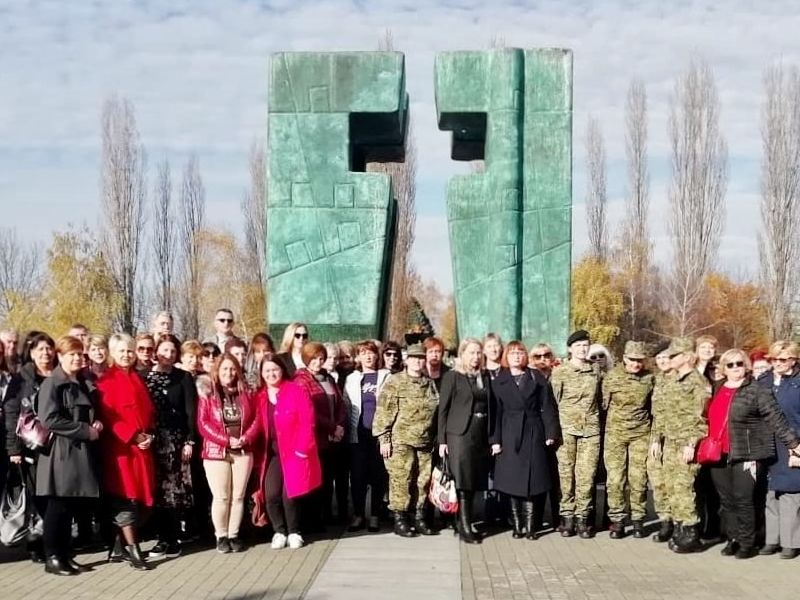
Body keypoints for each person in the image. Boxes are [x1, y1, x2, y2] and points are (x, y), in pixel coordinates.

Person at [707, 348, 800, 559]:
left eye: (739, 363)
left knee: (743, 498)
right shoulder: (718, 387)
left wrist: (793, 443)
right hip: (719, 453)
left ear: (746, 366)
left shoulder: (757, 389)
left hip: (747, 452)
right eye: (730, 365)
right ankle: (733, 538)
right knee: (727, 500)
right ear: (723, 368)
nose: (735, 368)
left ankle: (747, 542)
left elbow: (775, 418)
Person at [36, 335, 102, 576]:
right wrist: (86, 431)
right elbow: (49, 419)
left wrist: (97, 424)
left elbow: (88, 412)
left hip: (79, 452)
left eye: (79, 354)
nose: (77, 358)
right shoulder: (53, 383)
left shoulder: (82, 381)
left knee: (70, 507)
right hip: (61, 454)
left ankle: (65, 555)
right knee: (57, 506)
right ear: (60, 356)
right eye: (71, 354)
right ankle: (52, 557)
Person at [96, 333, 156, 570]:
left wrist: (148, 434)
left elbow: (148, 411)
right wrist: (132, 435)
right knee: (126, 499)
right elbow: (109, 416)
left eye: (130, 350)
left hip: (141, 449)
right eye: (121, 351)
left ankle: (119, 546)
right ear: (112, 353)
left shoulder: (137, 378)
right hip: (121, 451)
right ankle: (134, 550)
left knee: (144, 501)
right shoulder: (105, 382)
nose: (126, 355)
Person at [491, 340, 560, 540]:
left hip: (533, 431)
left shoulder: (535, 376)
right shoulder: (499, 380)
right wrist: (495, 440)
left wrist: (550, 433)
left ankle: (531, 526)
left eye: (520, 353)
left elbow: (547, 406)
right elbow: (495, 413)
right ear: (506, 357)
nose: (517, 356)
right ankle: (517, 525)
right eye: (512, 353)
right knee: (512, 482)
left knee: (532, 481)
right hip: (509, 433)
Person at [252, 355, 322, 550]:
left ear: (282, 370)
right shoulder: (260, 397)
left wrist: (302, 450)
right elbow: (256, 425)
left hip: (294, 452)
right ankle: (279, 531)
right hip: (272, 454)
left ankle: (294, 531)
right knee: (271, 493)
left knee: (289, 494)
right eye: (267, 371)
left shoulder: (296, 391)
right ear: (261, 374)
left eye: (275, 369)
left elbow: (308, 421)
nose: (271, 374)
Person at [373, 343, 439, 537]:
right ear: (407, 360)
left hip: (425, 442)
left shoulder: (429, 383)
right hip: (401, 440)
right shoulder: (395, 382)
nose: (418, 362)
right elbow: (384, 412)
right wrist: (384, 439)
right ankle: (400, 518)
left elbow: (435, 412)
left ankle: (419, 517)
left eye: (421, 358)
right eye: (414, 358)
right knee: (401, 479)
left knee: (422, 480)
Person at [197, 354, 259, 553]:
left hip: (242, 450)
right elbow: (203, 423)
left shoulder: (247, 392)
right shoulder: (208, 393)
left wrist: (246, 438)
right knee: (222, 496)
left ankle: (234, 534)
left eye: (232, 369)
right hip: (217, 451)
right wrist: (226, 440)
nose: (229, 373)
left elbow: (257, 418)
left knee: (238, 496)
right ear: (217, 370)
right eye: (224, 369)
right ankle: (221, 535)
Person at [439, 338, 499, 543]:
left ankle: (461, 521)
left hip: (480, 433)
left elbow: (492, 406)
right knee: (463, 480)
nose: (475, 357)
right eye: (471, 353)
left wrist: (493, 437)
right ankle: (465, 526)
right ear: (463, 354)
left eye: (478, 353)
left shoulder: (485, 376)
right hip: (459, 434)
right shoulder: (453, 377)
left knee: (473, 479)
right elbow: (443, 410)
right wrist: (442, 441)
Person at [144, 334, 197, 559]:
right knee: (155, 490)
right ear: (156, 351)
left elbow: (191, 411)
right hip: (152, 441)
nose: (169, 355)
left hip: (175, 441)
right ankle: (162, 538)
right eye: (164, 350)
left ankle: (174, 539)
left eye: (173, 352)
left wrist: (189, 440)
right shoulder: (145, 377)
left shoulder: (183, 377)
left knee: (173, 491)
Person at [4, 332, 56, 563]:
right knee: (36, 495)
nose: (45, 353)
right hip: (30, 447)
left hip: (57, 446)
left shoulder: (59, 375)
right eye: (40, 350)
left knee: (55, 494)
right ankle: (36, 542)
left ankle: (53, 539)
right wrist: (13, 449)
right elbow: (12, 414)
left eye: (48, 349)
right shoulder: (22, 378)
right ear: (32, 353)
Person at [659, 337, 711, 553]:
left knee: (684, 486)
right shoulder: (673, 380)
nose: (668, 359)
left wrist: (691, 444)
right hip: (671, 441)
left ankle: (691, 532)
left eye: (673, 355)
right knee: (671, 486)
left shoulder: (698, 383)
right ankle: (680, 527)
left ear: (687, 357)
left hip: (686, 444)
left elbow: (702, 419)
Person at [550, 330, 601, 538]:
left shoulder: (595, 371)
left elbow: (601, 399)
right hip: (566, 431)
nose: (582, 349)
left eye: (585, 345)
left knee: (586, 476)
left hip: (590, 430)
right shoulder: (560, 372)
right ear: (570, 348)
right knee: (566, 475)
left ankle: (583, 519)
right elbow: (554, 401)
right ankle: (567, 518)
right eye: (578, 345)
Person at [601, 341, 654, 539]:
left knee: (638, 479)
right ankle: (617, 520)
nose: (636, 364)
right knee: (615, 480)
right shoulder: (612, 377)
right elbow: (603, 404)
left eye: (640, 360)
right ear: (624, 358)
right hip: (615, 434)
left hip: (640, 433)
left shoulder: (649, 379)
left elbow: (652, 407)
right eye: (632, 360)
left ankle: (638, 519)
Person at [293, 343, 347, 527]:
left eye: (321, 358)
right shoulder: (301, 381)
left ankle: (324, 516)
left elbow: (340, 403)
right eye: (314, 358)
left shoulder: (329, 378)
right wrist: (331, 427)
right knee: (315, 481)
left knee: (328, 480)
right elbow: (309, 411)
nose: (318, 362)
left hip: (333, 438)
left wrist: (339, 425)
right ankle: (311, 520)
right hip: (316, 438)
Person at [344, 341, 391, 533]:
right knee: (357, 477)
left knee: (378, 476)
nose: (368, 357)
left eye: (371, 353)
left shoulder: (385, 376)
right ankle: (358, 514)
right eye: (364, 353)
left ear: (377, 356)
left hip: (378, 436)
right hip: (358, 435)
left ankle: (375, 515)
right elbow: (347, 406)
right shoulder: (353, 379)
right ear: (358, 357)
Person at [759, 341, 800, 559]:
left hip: (793, 443)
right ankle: (771, 539)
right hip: (767, 443)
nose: (777, 363)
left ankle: (791, 541)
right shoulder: (763, 380)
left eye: (782, 359)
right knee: (769, 493)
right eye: (773, 359)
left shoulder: (798, 382)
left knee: (791, 493)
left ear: (794, 359)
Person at [648, 342, 674, 542]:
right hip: (656, 438)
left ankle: (680, 523)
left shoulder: (682, 380)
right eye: (659, 358)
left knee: (675, 483)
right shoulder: (655, 380)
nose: (663, 361)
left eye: (666, 357)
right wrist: (655, 439)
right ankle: (665, 521)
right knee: (657, 481)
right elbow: (655, 414)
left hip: (675, 438)